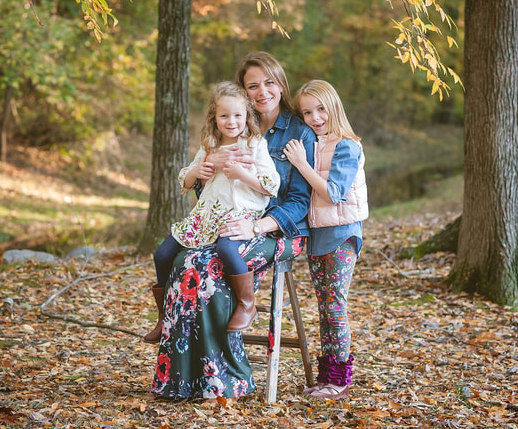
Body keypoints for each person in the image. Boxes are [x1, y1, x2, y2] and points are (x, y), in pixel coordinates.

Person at [150, 51, 315, 400]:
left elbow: (299, 201)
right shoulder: (232, 122)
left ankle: (225, 379)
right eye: (252, 85)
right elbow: (207, 188)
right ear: (242, 92)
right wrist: (206, 166)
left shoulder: (298, 131)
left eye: (269, 82)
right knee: (184, 261)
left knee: (205, 268)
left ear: (281, 85)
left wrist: (257, 227)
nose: (262, 91)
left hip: (277, 229)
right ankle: (181, 378)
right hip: (223, 223)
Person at [144, 81, 280, 342]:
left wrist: (243, 174)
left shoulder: (254, 145)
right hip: (206, 214)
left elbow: (272, 185)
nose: (231, 121)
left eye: (238, 115)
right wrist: (200, 169)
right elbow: (185, 179)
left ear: (247, 117)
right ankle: (163, 317)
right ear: (214, 118)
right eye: (224, 115)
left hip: (240, 213)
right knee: (162, 254)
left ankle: (246, 304)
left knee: (227, 249)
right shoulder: (210, 145)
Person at [283, 79, 368, 400]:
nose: (315, 117)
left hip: (341, 235)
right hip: (319, 235)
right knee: (325, 308)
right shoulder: (315, 142)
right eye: (307, 112)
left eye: (321, 109)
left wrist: (301, 163)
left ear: (334, 108)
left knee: (334, 307)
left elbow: (334, 193)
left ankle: (340, 378)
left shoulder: (346, 145)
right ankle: (326, 376)